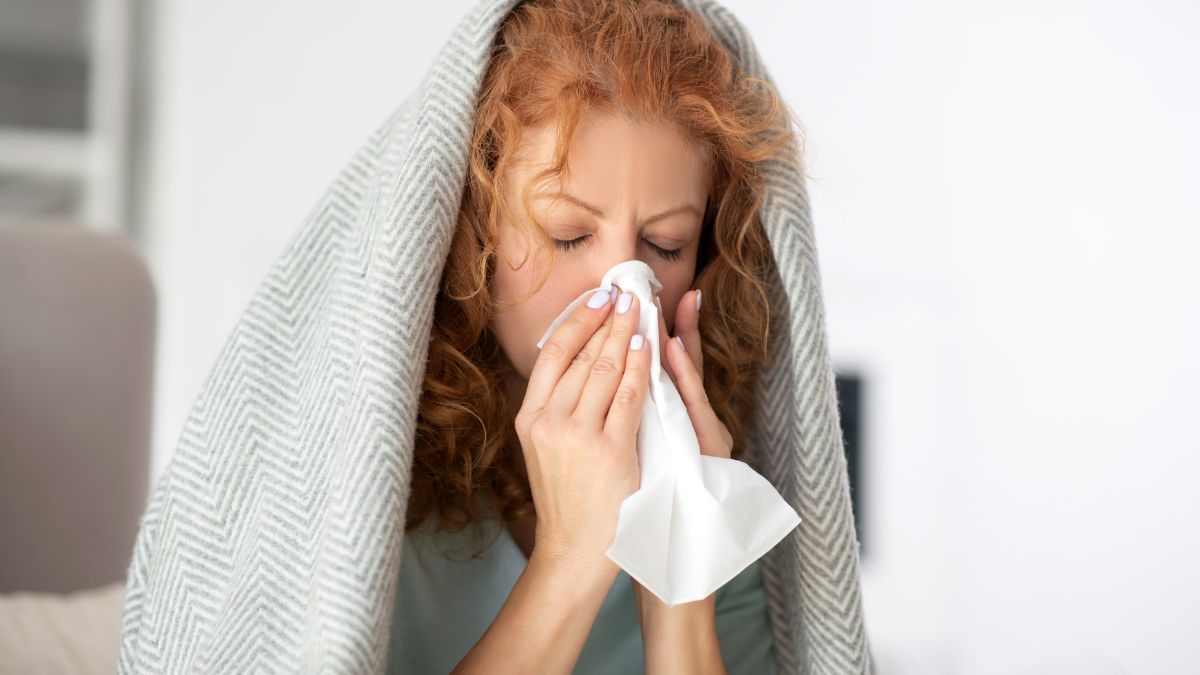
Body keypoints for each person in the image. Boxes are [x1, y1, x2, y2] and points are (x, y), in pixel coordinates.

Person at [115, 1, 874, 673]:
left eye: (666, 244)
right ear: (466, 232)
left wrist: (678, 563)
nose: (622, 289)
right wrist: (570, 561)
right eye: (569, 234)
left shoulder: (713, 476)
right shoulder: (356, 481)